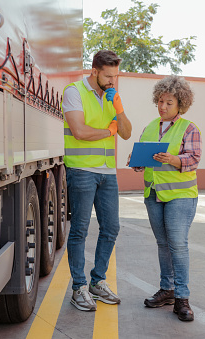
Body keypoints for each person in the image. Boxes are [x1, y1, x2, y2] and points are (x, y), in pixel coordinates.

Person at [62, 50, 132, 311]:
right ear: (94, 71)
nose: (113, 80)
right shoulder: (74, 92)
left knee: (111, 228)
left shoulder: (111, 96)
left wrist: (119, 110)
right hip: (81, 171)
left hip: (107, 173)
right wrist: (108, 130)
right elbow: (79, 132)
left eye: (116, 75)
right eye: (108, 75)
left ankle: (97, 282)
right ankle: (78, 288)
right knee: (80, 230)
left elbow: (125, 133)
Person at [131, 75, 201, 321]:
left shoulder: (189, 128)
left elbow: (193, 158)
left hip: (180, 196)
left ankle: (182, 297)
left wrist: (174, 159)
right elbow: (143, 161)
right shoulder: (150, 127)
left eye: (168, 102)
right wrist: (137, 162)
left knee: (178, 245)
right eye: (160, 101)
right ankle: (167, 289)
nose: (162, 106)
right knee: (163, 244)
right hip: (153, 194)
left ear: (180, 104)